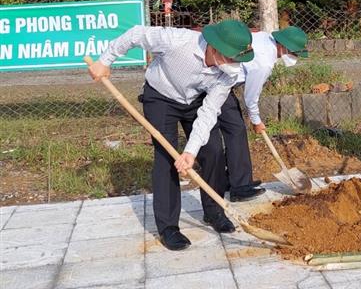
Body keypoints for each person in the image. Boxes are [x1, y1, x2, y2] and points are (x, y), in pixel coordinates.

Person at [88, 20, 254, 251]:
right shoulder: (177, 41)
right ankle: (168, 228)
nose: (235, 64)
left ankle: (214, 212)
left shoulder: (228, 74)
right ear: (215, 48)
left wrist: (190, 152)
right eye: (232, 58)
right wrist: (105, 61)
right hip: (160, 97)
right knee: (166, 158)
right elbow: (135, 34)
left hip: (196, 101)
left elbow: (209, 113)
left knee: (214, 150)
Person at [221, 26, 309, 200]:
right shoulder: (264, 62)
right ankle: (239, 187)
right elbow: (251, 97)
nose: (295, 57)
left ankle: (233, 179)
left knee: (234, 131)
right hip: (218, 84)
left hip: (223, 82)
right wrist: (256, 120)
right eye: (294, 53)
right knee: (236, 131)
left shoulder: (264, 37)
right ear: (284, 47)